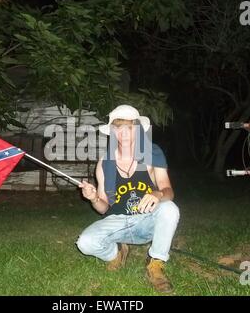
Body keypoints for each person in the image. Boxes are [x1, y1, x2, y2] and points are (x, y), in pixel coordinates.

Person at [77, 104, 180, 293]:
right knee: (85, 243)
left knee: (170, 208)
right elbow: (103, 208)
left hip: (146, 220)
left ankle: (155, 263)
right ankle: (116, 254)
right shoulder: (105, 162)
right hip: (117, 221)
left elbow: (168, 190)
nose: (123, 133)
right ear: (112, 131)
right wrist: (93, 198)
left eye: (129, 128)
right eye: (118, 127)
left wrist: (157, 193)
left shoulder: (152, 153)